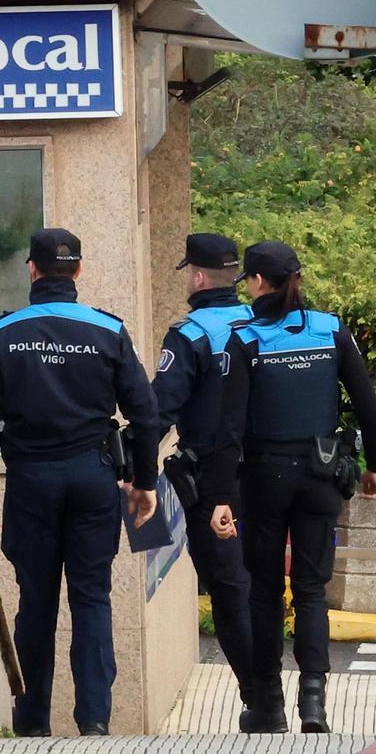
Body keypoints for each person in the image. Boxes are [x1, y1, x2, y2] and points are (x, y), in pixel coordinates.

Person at [0, 227, 160, 738]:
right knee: (92, 596)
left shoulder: (1, 334)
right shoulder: (108, 330)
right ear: (78, 270)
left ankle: (31, 725)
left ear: (31, 269)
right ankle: (94, 721)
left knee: (36, 601)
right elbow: (145, 414)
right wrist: (145, 481)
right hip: (93, 477)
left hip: (32, 481)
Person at [207, 241, 376, 734]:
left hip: (265, 480)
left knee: (264, 592)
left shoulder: (245, 339)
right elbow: (366, 401)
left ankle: (269, 707)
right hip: (322, 477)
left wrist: (221, 497)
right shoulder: (331, 329)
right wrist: (373, 466)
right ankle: (314, 704)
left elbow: (229, 427)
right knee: (311, 590)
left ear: (258, 281)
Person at [150, 233, 255, 719]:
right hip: (273, 475)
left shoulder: (190, 335)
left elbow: (160, 411)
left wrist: (135, 472)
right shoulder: (263, 322)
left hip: (214, 485)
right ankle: (295, 692)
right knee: (266, 584)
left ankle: (261, 699)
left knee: (229, 589)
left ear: (196, 277)